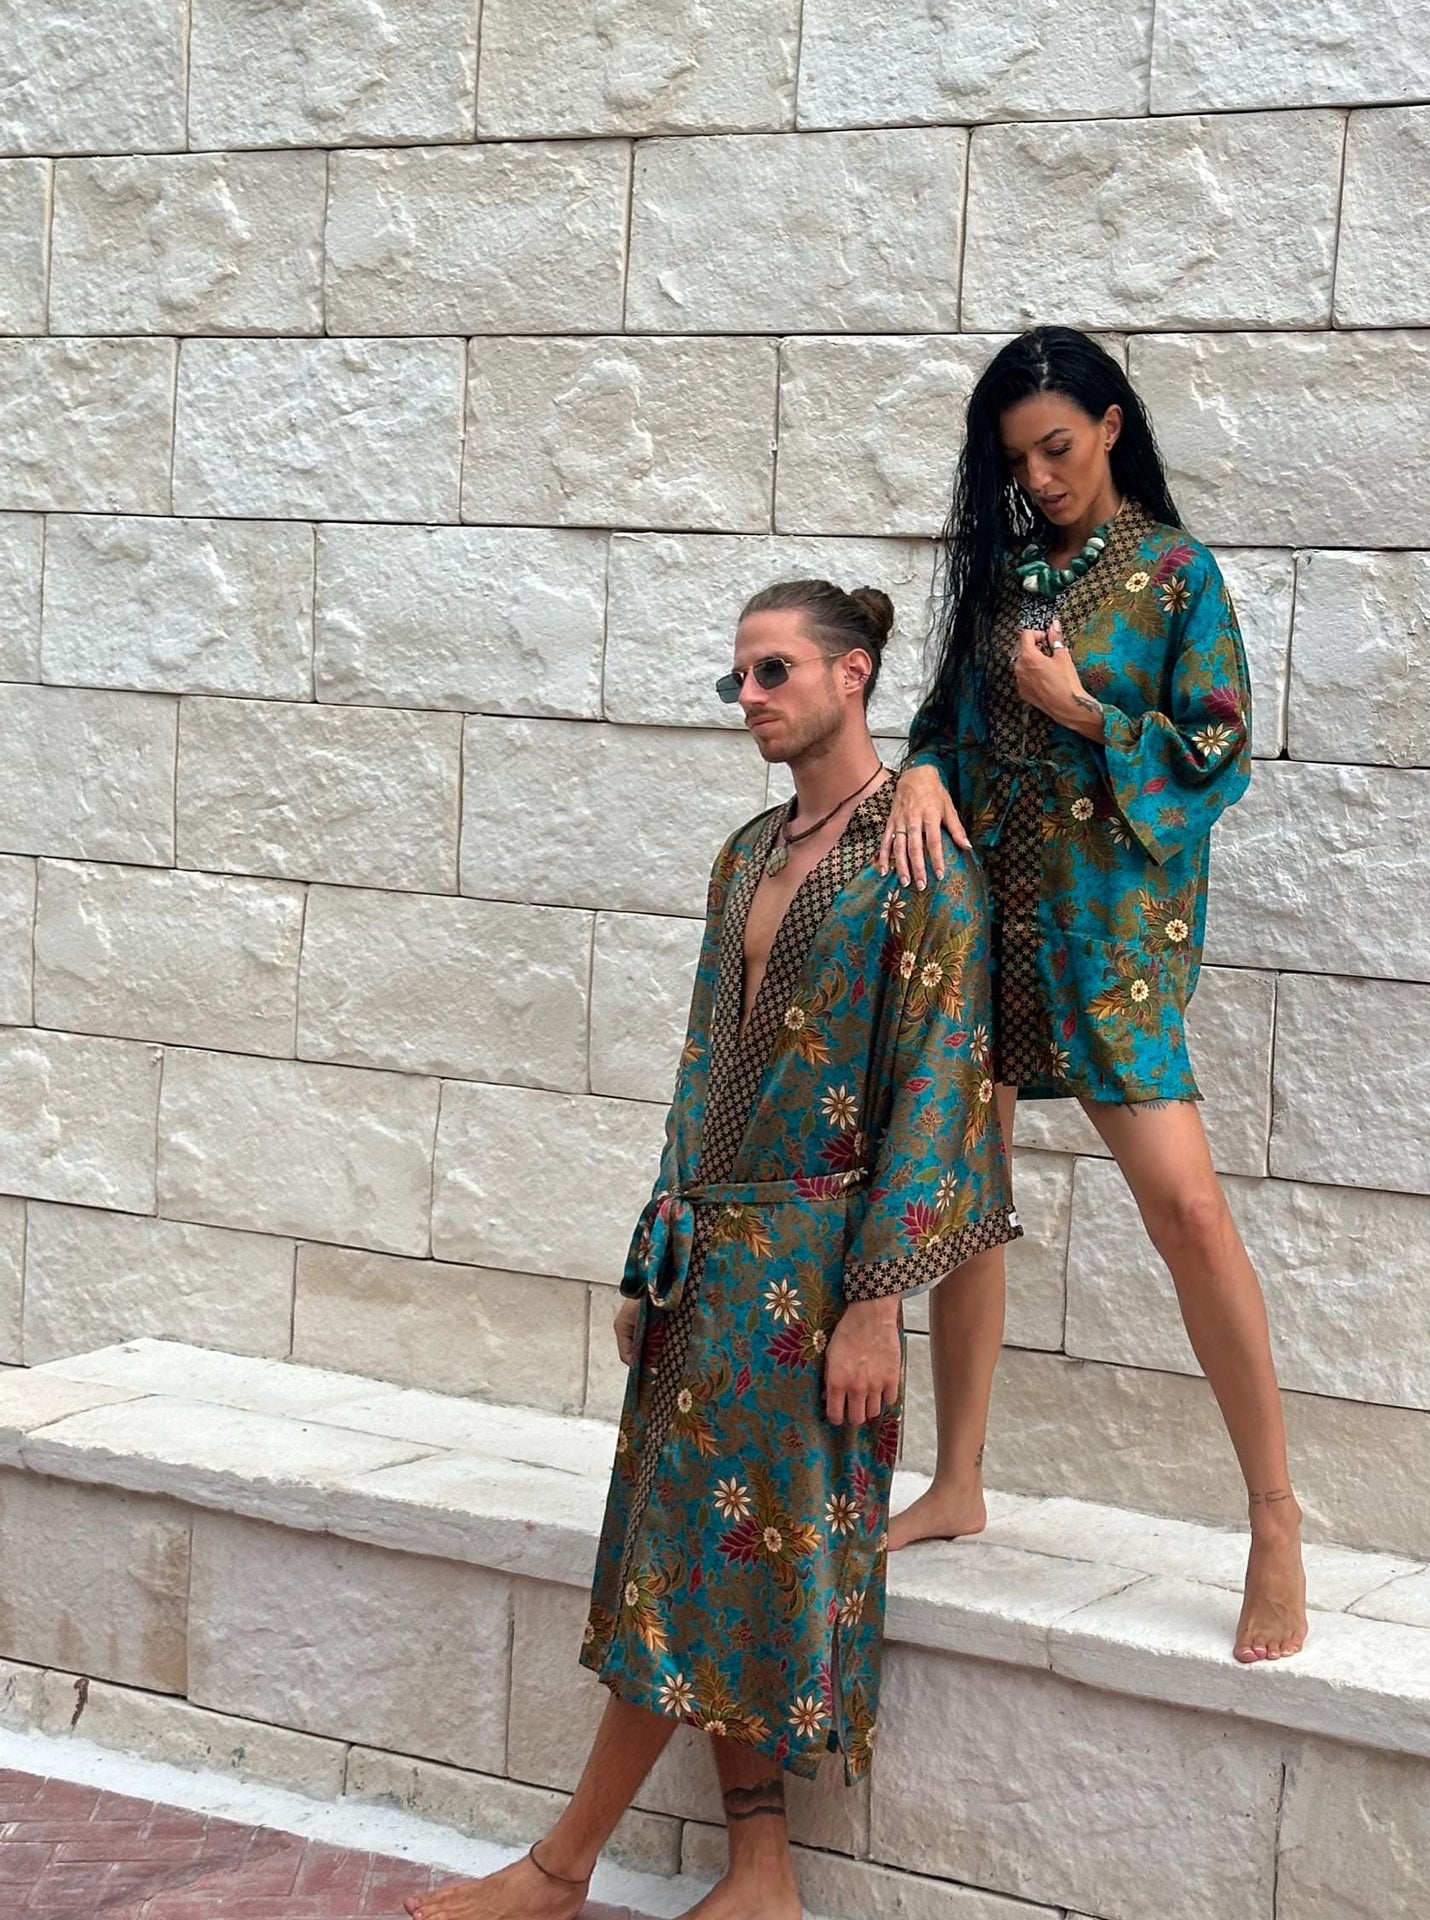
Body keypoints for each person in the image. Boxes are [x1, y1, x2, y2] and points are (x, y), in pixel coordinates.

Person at [406, 581, 1018, 1920]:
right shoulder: (745, 855)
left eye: (773, 670)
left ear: (853, 674)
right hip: (710, 1259)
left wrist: (877, 1303)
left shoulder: (922, 861)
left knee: (694, 1569)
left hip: (816, 1277)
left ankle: (560, 1870)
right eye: (737, 677)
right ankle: (760, 1875)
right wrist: (656, 1249)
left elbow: (942, 1094)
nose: (749, 697)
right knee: (715, 1561)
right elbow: (701, 1064)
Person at [881, 325, 1309, 1665]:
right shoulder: (1007, 576)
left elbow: (1219, 752)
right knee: (969, 1201)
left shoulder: (1180, 577)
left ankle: (1277, 1520)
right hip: (984, 923)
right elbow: (944, 726)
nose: (1041, 477)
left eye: (1058, 448)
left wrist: (1082, 713)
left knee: (1187, 1211)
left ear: (1113, 425)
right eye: (1018, 460)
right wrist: (924, 769)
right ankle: (957, 1479)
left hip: (1111, 934)